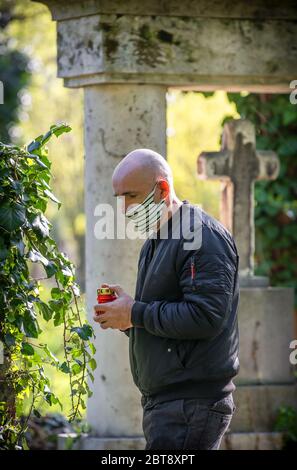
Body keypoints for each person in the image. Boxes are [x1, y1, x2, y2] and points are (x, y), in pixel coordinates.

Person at [93, 148, 240, 450]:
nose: (124, 208)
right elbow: (167, 319)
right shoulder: (156, 241)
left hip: (191, 406)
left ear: (161, 189)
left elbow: (205, 317)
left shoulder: (201, 235)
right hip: (168, 405)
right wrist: (125, 317)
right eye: (119, 198)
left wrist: (136, 314)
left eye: (131, 196)